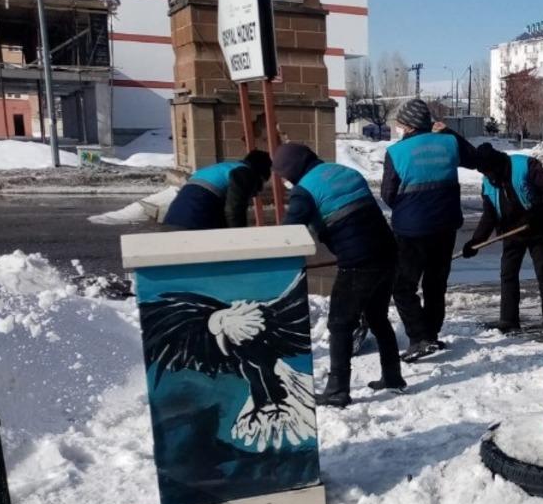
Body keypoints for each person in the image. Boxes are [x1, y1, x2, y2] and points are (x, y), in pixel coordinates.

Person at [272, 142, 404, 408]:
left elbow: (286, 234)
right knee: (377, 317)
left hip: (358, 262)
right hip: (388, 251)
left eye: (284, 174)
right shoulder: (345, 172)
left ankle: (337, 391)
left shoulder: (304, 191)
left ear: (293, 169)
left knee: (340, 324)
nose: (284, 180)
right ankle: (392, 377)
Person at [381, 98, 478, 361]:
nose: (399, 127)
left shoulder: (397, 152)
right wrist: (447, 131)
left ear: (409, 124)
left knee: (403, 286)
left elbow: (388, 194)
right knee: (436, 285)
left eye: (401, 123)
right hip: (445, 227)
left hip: (410, 231)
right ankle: (431, 336)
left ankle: (419, 338)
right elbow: (473, 158)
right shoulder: (449, 142)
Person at [460, 143, 543, 334]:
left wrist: (540, 212)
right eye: (485, 173)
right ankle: (508, 320)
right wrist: (476, 242)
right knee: (508, 273)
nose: (489, 176)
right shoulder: (488, 181)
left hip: (539, 227)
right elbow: (489, 214)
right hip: (512, 231)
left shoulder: (525, 166)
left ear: (497, 164)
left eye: (490, 172)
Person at [163, 150, 272, 229]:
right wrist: (239, 236)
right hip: (196, 222)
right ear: (260, 173)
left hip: (173, 219)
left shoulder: (226, 167)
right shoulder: (244, 173)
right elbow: (234, 209)